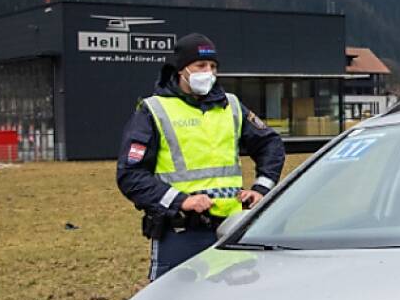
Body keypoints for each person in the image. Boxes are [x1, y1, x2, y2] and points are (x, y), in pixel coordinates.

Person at [116, 33, 285, 280]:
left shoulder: (232, 106)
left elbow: (270, 143)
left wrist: (262, 188)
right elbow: (131, 175)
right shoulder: (154, 111)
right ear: (181, 69)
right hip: (181, 234)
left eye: (213, 66)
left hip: (231, 231)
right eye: (201, 66)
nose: (209, 72)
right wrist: (180, 201)